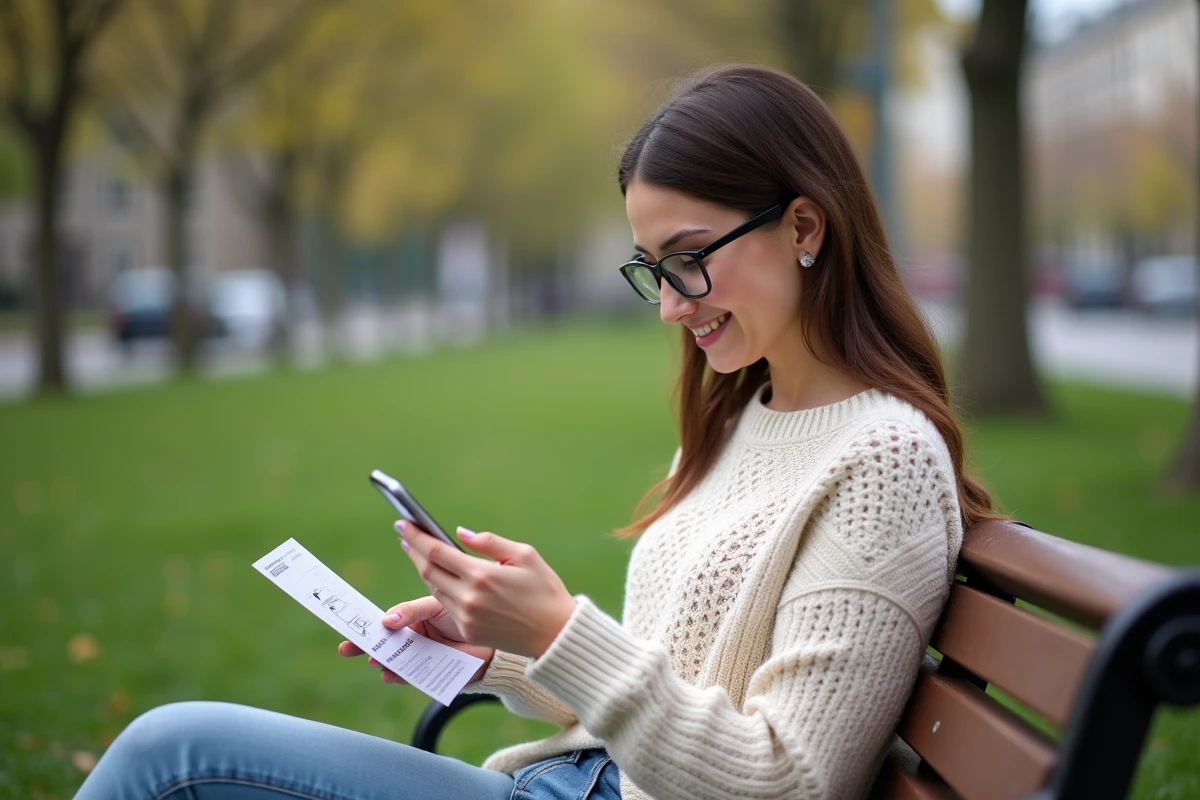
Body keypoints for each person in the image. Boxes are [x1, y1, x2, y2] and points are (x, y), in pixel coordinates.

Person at [75, 63, 998, 800]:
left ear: (804, 225)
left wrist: (562, 627)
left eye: (688, 262)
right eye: (652, 270)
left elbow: (785, 783)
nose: (672, 307)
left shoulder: (882, 459)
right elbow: (666, 699)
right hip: (576, 778)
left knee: (175, 754)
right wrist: (504, 653)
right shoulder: (741, 419)